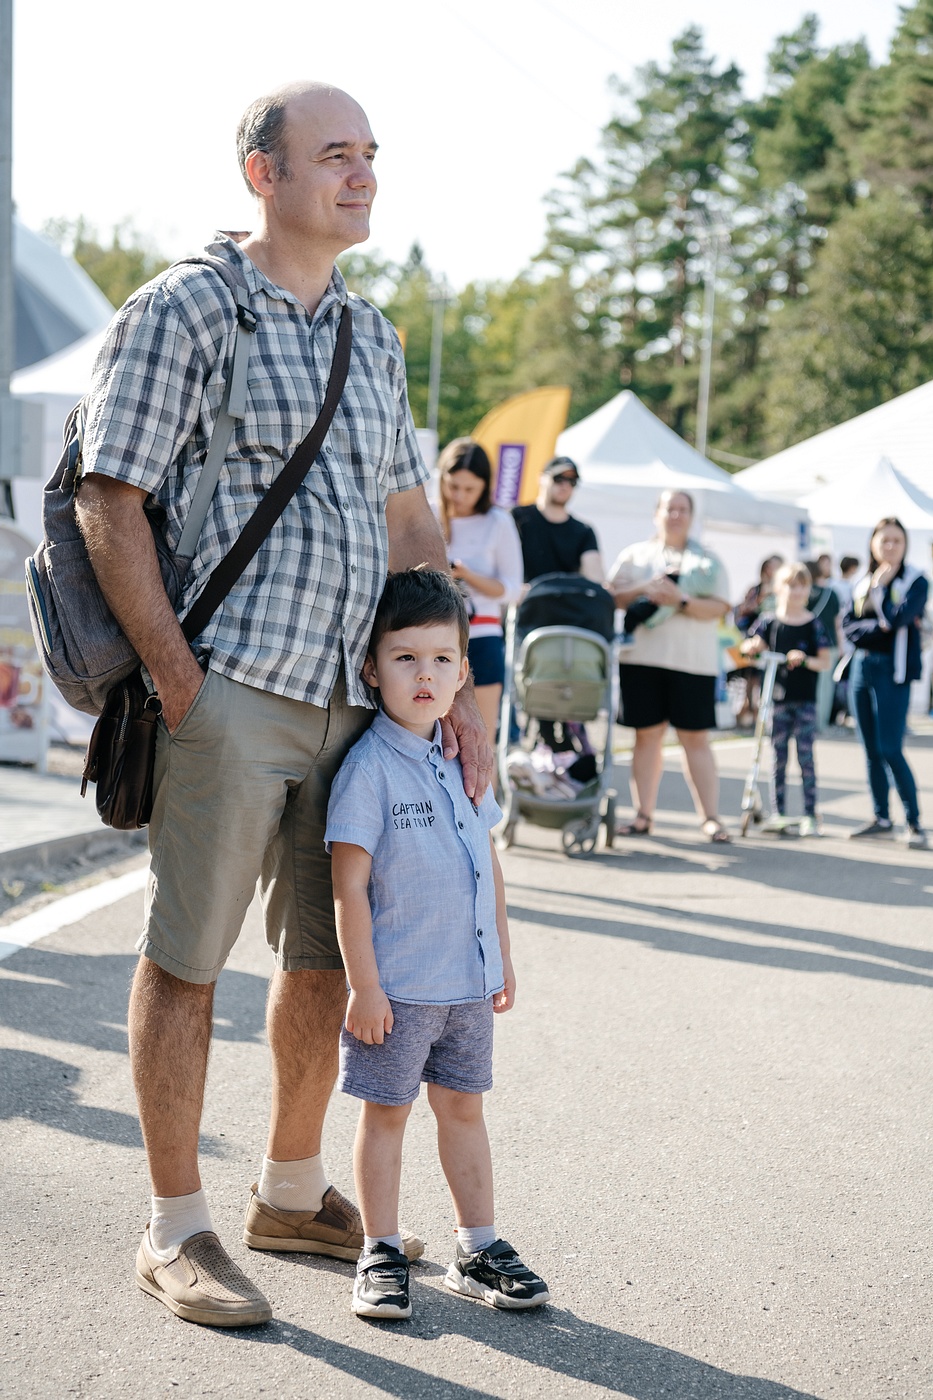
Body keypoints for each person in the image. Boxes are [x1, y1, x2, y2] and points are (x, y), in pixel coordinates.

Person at [74, 81, 490, 1328]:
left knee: (327, 953)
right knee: (188, 958)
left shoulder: (377, 335)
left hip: (359, 703)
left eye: (371, 155)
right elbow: (112, 495)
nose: (362, 175)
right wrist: (178, 675)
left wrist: (455, 685)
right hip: (233, 689)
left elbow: (410, 514)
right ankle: (175, 1224)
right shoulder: (187, 304)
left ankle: (292, 1187)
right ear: (262, 173)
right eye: (334, 156)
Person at [326, 568, 549, 1320]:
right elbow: (348, 886)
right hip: (397, 988)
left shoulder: (461, 761)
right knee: (385, 1114)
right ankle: (380, 1250)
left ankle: (477, 1247)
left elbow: (487, 862)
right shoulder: (366, 770)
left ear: (463, 669)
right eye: (405, 658)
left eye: (442, 659)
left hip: (465, 984)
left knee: (463, 1109)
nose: (425, 674)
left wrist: (503, 954)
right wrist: (364, 985)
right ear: (371, 667)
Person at [608, 490, 732, 843]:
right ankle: (643, 814)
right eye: (669, 508)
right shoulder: (635, 555)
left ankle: (710, 818)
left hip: (693, 663)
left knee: (696, 739)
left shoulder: (707, 561)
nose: (675, 515)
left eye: (682, 509)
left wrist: (681, 599)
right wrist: (646, 588)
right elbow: (612, 597)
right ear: (656, 513)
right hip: (642, 660)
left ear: (691, 516)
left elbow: (720, 607)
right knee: (646, 737)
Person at [844, 517, 929, 849]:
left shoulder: (916, 580)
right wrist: (877, 628)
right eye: (884, 540)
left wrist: (881, 596)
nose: (890, 546)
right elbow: (850, 627)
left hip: (894, 672)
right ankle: (881, 816)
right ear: (873, 544)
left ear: (906, 545)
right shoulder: (861, 580)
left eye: (897, 540)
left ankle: (914, 821)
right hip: (861, 668)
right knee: (869, 749)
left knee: (890, 747)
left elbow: (899, 619)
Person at [435, 439, 524, 745]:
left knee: (481, 742)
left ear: (485, 486)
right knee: (433, 739)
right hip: (432, 639)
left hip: (482, 636)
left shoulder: (498, 521)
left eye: (469, 489)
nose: (459, 496)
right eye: (453, 486)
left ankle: (486, 795)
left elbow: (512, 589)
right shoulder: (430, 515)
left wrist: (466, 574)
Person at [741, 563, 831, 836]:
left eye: (802, 585)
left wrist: (803, 660)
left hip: (804, 700)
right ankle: (777, 811)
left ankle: (809, 813)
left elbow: (824, 661)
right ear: (779, 588)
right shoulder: (769, 621)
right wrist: (753, 646)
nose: (796, 591)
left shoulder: (812, 624)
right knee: (777, 757)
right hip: (775, 699)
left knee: (805, 758)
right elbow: (748, 645)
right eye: (791, 584)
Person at [511, 456, 603, 584]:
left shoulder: (583, 531)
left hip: (564, 602)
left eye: (572, 481)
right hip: (523, 600)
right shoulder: (516, 517)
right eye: (559, 478)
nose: (565, 485)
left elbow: (595, 579)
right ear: (541, 478)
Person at [733, 554, 783, 729]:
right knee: (750, 676)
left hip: (775, 639)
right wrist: (761, 598)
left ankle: (761, 713)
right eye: (771, 566)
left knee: (765, 678)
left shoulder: (783, 590)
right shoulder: (755, 589)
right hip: (754, 637)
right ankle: (749, 709)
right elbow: (742, 610)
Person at [804, 557, 843, 731]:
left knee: (809, 685)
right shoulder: (831, 593)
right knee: (825, 686)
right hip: (829, 644)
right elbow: (837, 623)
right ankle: (821, 723)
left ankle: (806, 721)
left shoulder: (803, 593)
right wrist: (841, 646)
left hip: (807, 644)